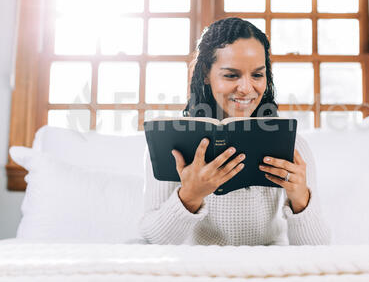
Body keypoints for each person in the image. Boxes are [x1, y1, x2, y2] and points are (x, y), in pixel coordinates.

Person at [139, 17, 330, 245]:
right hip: (200, 270)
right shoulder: (169, 143)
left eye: (258, 75)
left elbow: (317, 250)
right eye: (231, 75)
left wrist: (301, 200)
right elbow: (152, 242)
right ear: (206, 74)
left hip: (267, 269)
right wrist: (189, 197)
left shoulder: (295, 147)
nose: (246, 88)